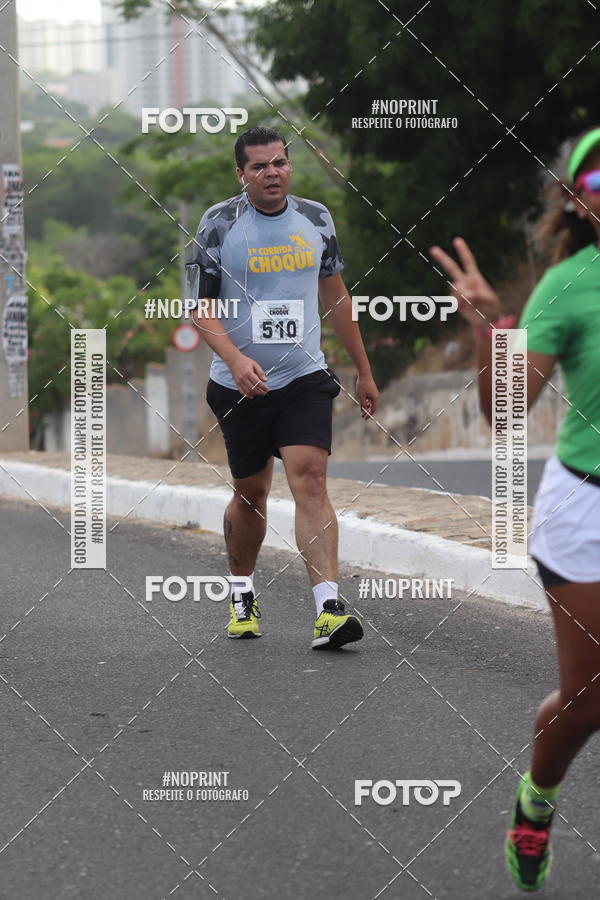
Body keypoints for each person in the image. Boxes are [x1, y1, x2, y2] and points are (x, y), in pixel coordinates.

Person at [430, 128, 600, 892]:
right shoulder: (568, 286)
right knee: (591, 702)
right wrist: (488, 327)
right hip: (586, 515)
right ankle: (537, 799)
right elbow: (506, 410)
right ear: (577, 203)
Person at [189, 126, 379, 648]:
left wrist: (362, 369)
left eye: (279, 163)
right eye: (259, 167)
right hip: (238, 385)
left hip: (303, 377)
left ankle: (329, 609)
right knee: (252, 494)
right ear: (241, 175)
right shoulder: (218, 225)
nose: (272, 173)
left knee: (310, 478)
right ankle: (242, 590)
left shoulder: (315, 219)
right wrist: (236, 358)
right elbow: (200, 309)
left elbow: (336, 296)